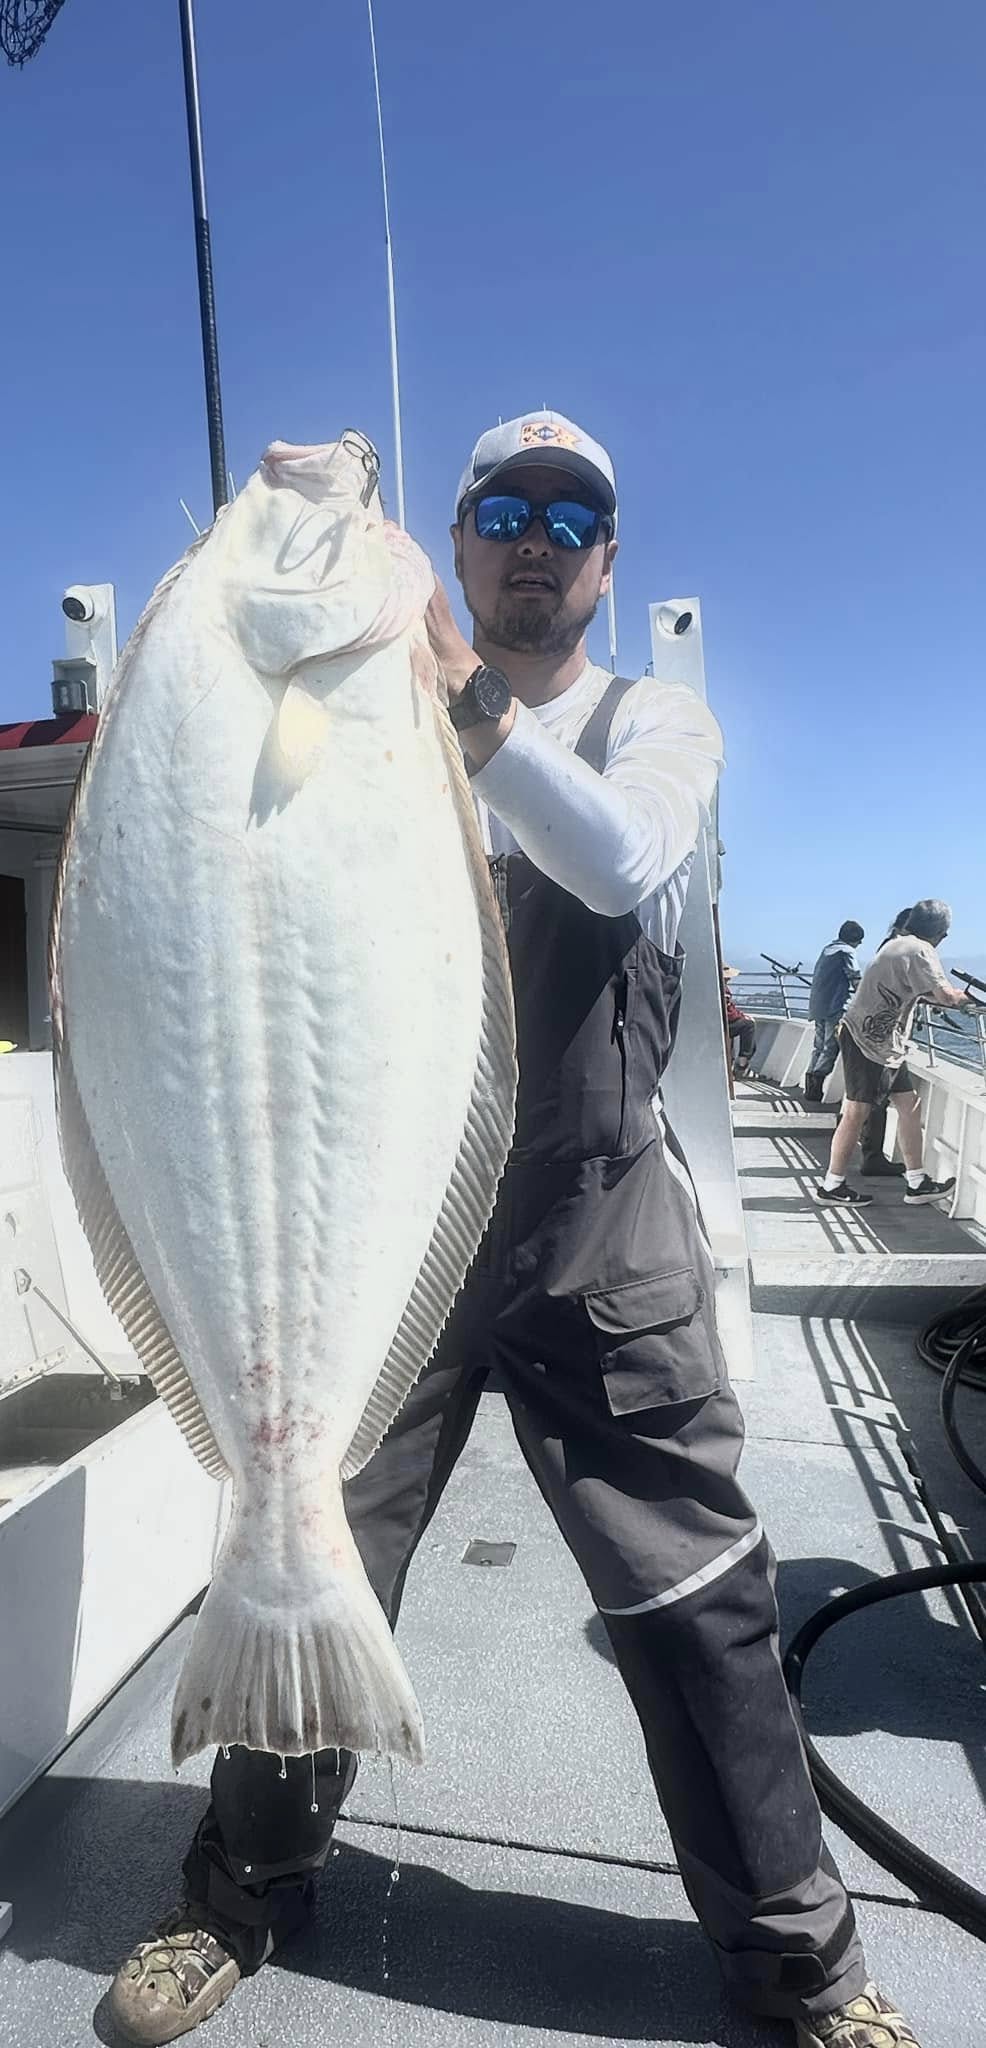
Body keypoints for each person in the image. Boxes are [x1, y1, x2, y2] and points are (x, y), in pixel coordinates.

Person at [110, 410, 921, 2048]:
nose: (535, 541)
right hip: (383, 1223)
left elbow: (616, 862)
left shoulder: (651, 721)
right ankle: (237, 1888)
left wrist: (462, 698)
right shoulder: (360, 719)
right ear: (458, 542)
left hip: (599, 1229)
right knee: (300, 1539)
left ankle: (803, 1967)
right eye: (504, 512)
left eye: (570, 519)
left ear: (606, 563)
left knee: (695, 1596)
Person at [818, 899, 981, 1208]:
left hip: (885, 1043)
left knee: (909, 1105)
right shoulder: (920, 950)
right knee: (856, 1113)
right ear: (941, 934)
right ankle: (832, 1185)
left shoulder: (896, 944)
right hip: (867, 1041)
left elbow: (920, 990)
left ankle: (917, 1182)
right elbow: (945, 995)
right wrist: (970, 1001)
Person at [855, 910, 913, 1176]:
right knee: (876, 1099)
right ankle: (872, 1158)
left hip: (879, 1035)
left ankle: (875, 1157)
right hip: (883, 1039)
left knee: (879, 1099)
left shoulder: (888, 948)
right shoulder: (899, 951)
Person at [803, 922, 863, 1101]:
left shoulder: (828, 949)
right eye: (859, 941)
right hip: (834, 1007)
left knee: (818, 1046)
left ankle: (810, 1086)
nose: (860, 944)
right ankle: (816, 1086)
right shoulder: (846, 951)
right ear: (854, 939)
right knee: (830, 1047)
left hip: (818, 1006)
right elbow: (855, 977)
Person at [722, 963, 756, 1075]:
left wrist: (741, 1015)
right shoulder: (723, 990)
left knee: (746, 1024)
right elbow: (729, 1014)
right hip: (723, 1024)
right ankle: (742, 1064)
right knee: (749, 1025)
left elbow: (729, 1009)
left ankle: (737, 1063)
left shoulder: (716, 987)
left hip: (718, 1022)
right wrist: (741, 1016)